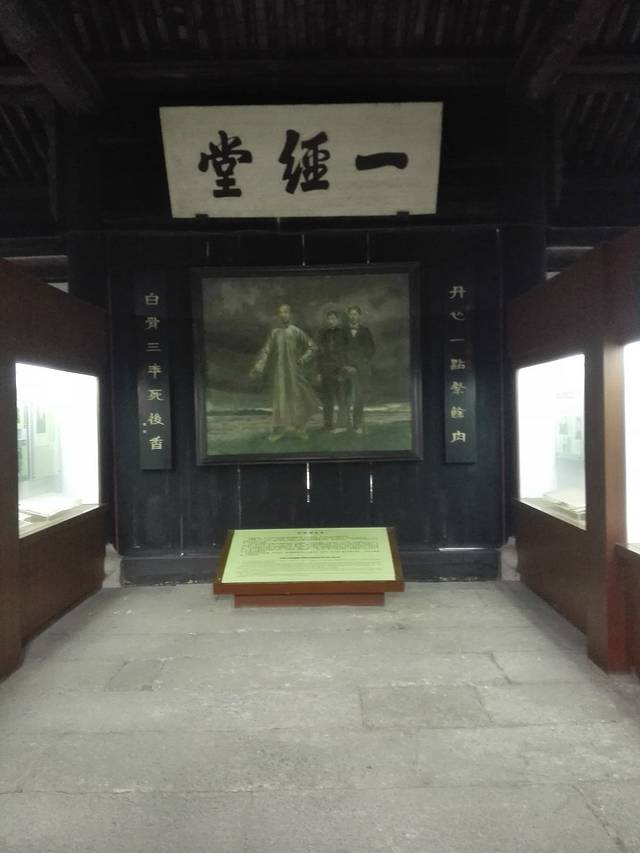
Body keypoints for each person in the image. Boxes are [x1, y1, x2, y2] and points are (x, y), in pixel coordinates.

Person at [250, 303, 320, 440]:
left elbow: (313, 347)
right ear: (279, 315)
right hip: (280, 373)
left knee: (297, 398)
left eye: (286, 312)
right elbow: (266, 351)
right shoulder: (275, 333)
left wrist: (303, 359)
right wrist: (259, 366)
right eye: (281, 312)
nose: (283, 315)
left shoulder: (296, 331)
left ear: (290, 314)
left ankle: (300, 429)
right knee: (280, 399)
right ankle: (278, 430)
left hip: (294, 372)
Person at [343, 305, 375, 434]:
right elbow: (339, 350)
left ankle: (357, 425)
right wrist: (346, 365)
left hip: (362, 369)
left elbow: (371, 348)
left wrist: (364, 361)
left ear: (359, 316)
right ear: (348, 316)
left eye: (355, 314)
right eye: (351, 314)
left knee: (360, 396)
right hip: (346, 369)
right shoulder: (342, 331)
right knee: (346, 396)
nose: (353, 317)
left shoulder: (365, 331)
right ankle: (345, 424)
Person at [317, 310, 349, 432]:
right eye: (329, 319)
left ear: (338, 320)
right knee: (327, 400)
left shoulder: (343, 333)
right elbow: (319, 354)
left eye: (333, 319)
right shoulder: (323, 334)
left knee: (342, 398)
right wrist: (319, 372)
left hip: (340, 370)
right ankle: (327, 425)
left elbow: (347, 352)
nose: (331, 321)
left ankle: (345, 424)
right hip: (326, 370)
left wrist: (344, 367)